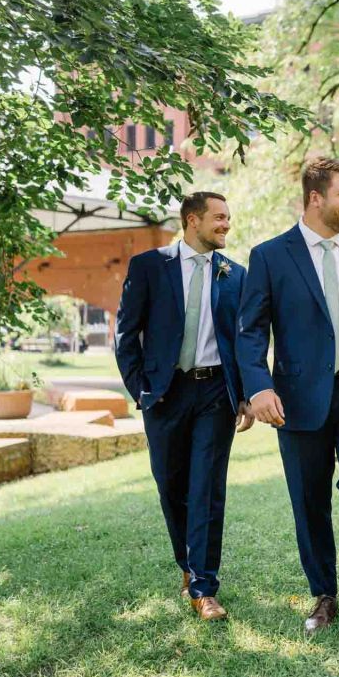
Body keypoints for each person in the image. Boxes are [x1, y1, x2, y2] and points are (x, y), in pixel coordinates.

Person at [237, 157, 339, 635]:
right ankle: (323, 594)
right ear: (316, 198)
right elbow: (250, 331)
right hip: (296, 397)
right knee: (309, 498)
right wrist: (258, 386)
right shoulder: (270, 256)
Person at [116, 191, 253, 621]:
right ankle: (186, 566)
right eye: (219, 218)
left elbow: (246, 340)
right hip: (165, 393)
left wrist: (246, 393)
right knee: (171, 486)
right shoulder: (149, 267)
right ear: (192, 221)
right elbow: (125, 334)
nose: (226, 225)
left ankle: (204, 585)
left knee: (207, 490)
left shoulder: (236, 275)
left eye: (228, 218)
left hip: (215, 393)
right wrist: (140, 388)